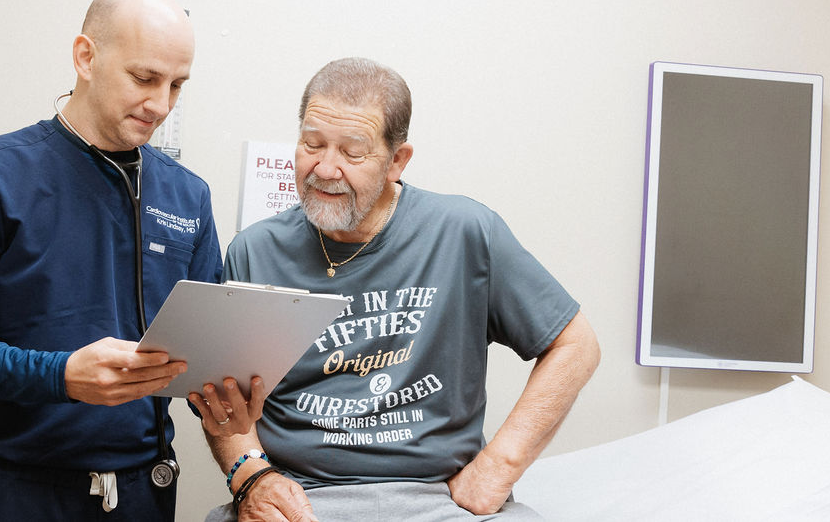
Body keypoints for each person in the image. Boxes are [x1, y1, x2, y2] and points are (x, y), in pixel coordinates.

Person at [0, 0, 260, 521]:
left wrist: (237, 396)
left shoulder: (188, 195)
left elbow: (201, 353)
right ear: (85, 57)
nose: (160, 105)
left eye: (177, 86)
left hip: (144, 491)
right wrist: (61, 374)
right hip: (12, 488)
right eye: (144, 78)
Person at [199, 57, 601, 521]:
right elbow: (222, 397)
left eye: (353, 153)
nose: (325, 168)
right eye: (312, 144)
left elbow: (577, 344)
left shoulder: (466, 232)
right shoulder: (256, 250)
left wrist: (499, 466)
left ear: (397, 161)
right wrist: (253, 479)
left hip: (437, 497)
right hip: (301, 498)